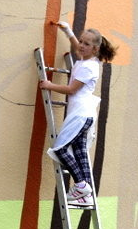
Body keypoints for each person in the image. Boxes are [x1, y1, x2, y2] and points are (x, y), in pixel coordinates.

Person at [39, 22, 117, 206]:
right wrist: (67, 31)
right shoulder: (89, 61)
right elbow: (77, 48)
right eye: (81, 41)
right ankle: (86, 194)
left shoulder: (88, 67)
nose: (81, 45)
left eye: (86, 44)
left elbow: (72, 89)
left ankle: (82, 185)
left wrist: (49, 86)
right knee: (80, 151)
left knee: (60, 149)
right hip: (85, 113)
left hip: (80, 114)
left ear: (95, 48)